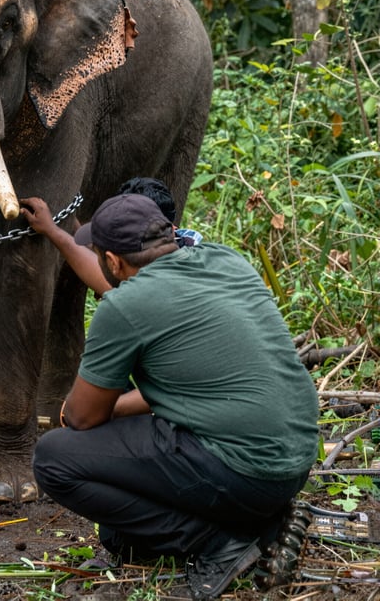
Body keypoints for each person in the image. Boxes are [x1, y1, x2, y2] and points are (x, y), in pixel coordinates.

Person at [31, 193, 319, 600]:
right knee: (119, 533)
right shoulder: (225, 261)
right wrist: (57, 235)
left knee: (54, 458)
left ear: (113, 262)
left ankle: (218, 541)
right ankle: (257, 519)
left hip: (245, 470)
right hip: (295, 459)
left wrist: (81, 408)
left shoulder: (123, 307)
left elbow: (81, 419)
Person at [20, 177, 202, 296]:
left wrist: (52, 231)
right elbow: (97, 249)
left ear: (172, 229)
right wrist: (68, 220)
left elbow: (108, 285)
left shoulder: (165, 286)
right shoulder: (183, 245)